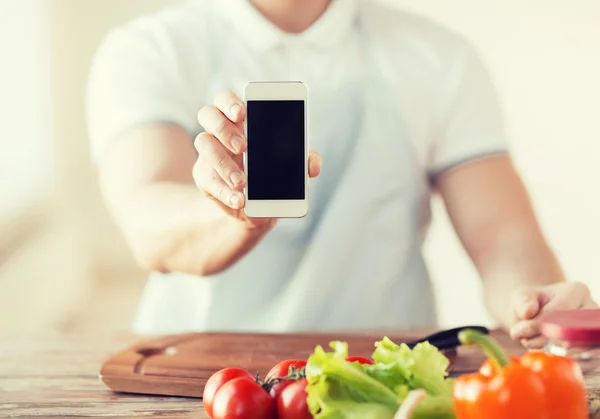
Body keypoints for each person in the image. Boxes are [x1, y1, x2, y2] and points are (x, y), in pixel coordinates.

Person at [86, 0, 596, 347]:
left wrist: (537, 304)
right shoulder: (148, 50)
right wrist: (236, 212)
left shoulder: (441, 59)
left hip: (385, 378)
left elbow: (504, 239)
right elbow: (149, 221)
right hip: (194, 383)